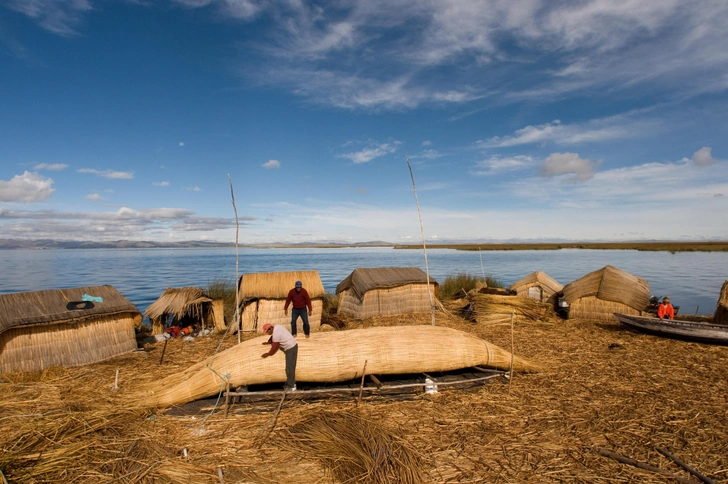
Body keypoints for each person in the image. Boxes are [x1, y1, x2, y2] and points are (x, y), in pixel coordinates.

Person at [261, 323, 298, 391]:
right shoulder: (277, 327)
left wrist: (268, 354)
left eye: (267, 332)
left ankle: (292, 386)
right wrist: (269, 342)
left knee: (289, 368)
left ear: (270, 329)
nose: (267, 333)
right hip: (291, 344)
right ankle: (289, 382)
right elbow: (273, 337)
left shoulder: (276, 334)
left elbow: (275, 347)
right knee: (289, 367)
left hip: (291, 348)